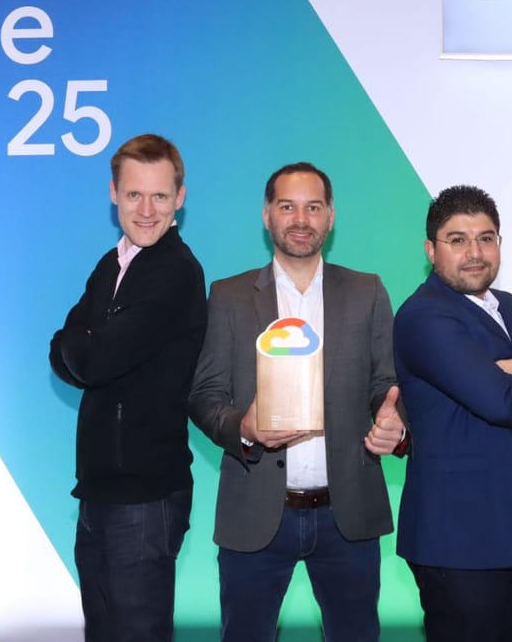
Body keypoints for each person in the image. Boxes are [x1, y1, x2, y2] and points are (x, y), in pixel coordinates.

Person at [188, 161, 405, 642]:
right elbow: (204, 395)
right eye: (287, 207)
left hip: (348, 516)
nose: (301, 219)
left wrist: (394, 422)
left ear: (331, 216)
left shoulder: (367, 291)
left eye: (313, 207)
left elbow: (387, 384)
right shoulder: (229, 296)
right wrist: (243, 428)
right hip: (255, 513)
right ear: (267, 215)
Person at [393, 184, 512, 642]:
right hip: (460, 538)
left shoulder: (508, 307)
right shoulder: (425, 316)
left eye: (486, 238)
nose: (475, 252)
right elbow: (498, 401)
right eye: (457, 240)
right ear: (431, 250)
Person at [49, 133, 207, 642]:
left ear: (179, 198)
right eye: (134, 194)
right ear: (114, 193)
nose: (146, 210)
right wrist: (83, 346)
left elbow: (93, 359)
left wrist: (86, 346)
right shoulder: (110, 264)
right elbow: (61, 350)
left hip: (145, 497)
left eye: (160, 196)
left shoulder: (176, 272)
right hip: (99, 490)